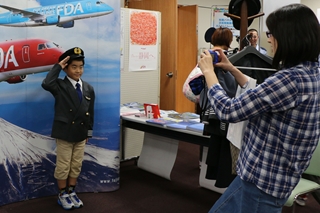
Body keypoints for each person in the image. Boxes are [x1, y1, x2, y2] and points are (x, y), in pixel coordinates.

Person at [198, 4, 320, 213]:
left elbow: (229, 111)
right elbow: (262, 94)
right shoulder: (311, 73)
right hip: (271, 178)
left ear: (289, 37)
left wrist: (209, 72)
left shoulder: (289, 80)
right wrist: (231, 68)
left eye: (271, 34)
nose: (269, 39)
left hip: (261, 183)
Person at [42, 47, 95, 210]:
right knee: (63, 165)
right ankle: (62, 194)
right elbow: (46, 83)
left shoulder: (88, 88)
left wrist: (89, 133)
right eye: (74, 66)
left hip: (80, 134)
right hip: (65, 133)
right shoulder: (59, 85)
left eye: (81, 66)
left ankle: (71, 192)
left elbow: (90, 113)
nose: (78, 70)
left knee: (76, 164)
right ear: (66, 67)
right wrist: (58, 65)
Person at [186, 27, 238, 188]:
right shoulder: (231, 58)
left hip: (211, 113)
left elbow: (188, 89)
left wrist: (202, 99)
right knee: (227, 152)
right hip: (229, 116)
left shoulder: (206, 57)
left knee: (212, 144)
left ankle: (203, 166)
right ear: (229, 41)